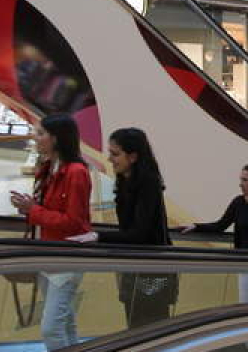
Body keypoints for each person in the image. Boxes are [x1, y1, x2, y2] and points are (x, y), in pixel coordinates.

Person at [70, 128, 176, 327]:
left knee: (151, 326)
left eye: (115, 154)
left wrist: (98, 236)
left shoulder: (148, 183)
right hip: (135, 266)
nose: (109, 159)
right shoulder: (125, 181)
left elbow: (139, 233)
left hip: (152, 269)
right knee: (135, 323)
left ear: (133, 156)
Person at [9, 115, 91, 351]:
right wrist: (30, 207)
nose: (35, 138)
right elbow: (50, 210)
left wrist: (33, 211)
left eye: (40, 133)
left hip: (66, 257)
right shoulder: (48, 169)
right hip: (48, 253)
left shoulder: (76, 172)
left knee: (51, 327)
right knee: (64, 322)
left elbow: (74, 222)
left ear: (55, 138)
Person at [183, 164, 248, 305]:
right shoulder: (238, 202)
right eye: (241, 180)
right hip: (245, 261)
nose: (240, 184)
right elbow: (220, 225)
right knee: (246, 304)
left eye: (245, 180)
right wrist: (196, 226)